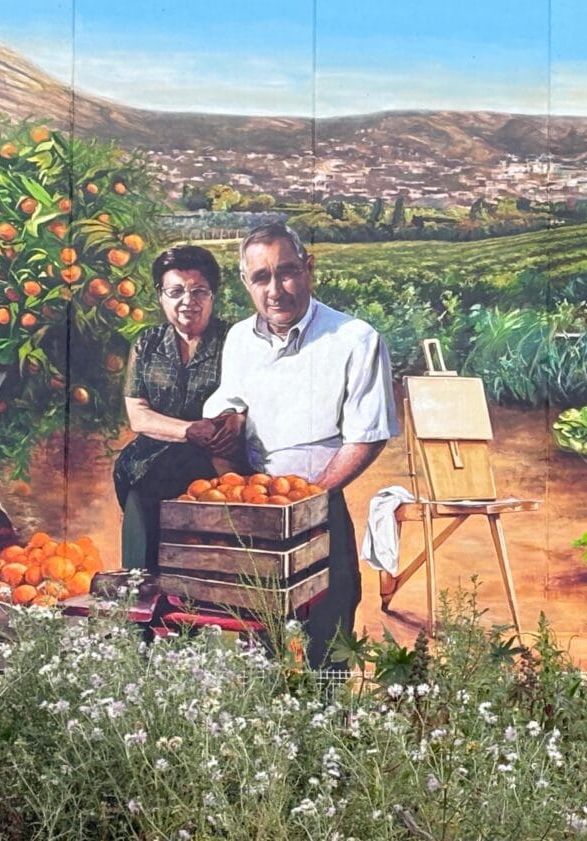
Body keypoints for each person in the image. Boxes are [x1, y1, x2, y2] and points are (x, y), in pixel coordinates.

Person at [203, 222, 399, 667]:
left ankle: (327, 722)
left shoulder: (354, 339)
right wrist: (233, 469)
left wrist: (309, 498)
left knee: (327, 639)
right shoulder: (238, 340)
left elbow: (367, 437)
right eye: (261, 277)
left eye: (287, 272)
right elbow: (230, 412)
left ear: (309, 268)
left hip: (321, 507)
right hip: (257, 512)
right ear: (246, 283)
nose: (276, 289)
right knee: (261, 636)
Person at [114, 245, 243, 573]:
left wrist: (237, 421)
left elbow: (256, 398)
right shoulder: (148, 343)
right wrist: (188, 430)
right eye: (176, 291)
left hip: (218, 464)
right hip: (147, 464)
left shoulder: (236, 340)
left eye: (199, 290)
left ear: (213, 295)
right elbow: (137, 414)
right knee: (143, 559)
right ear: (161, 296)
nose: (188, 301)